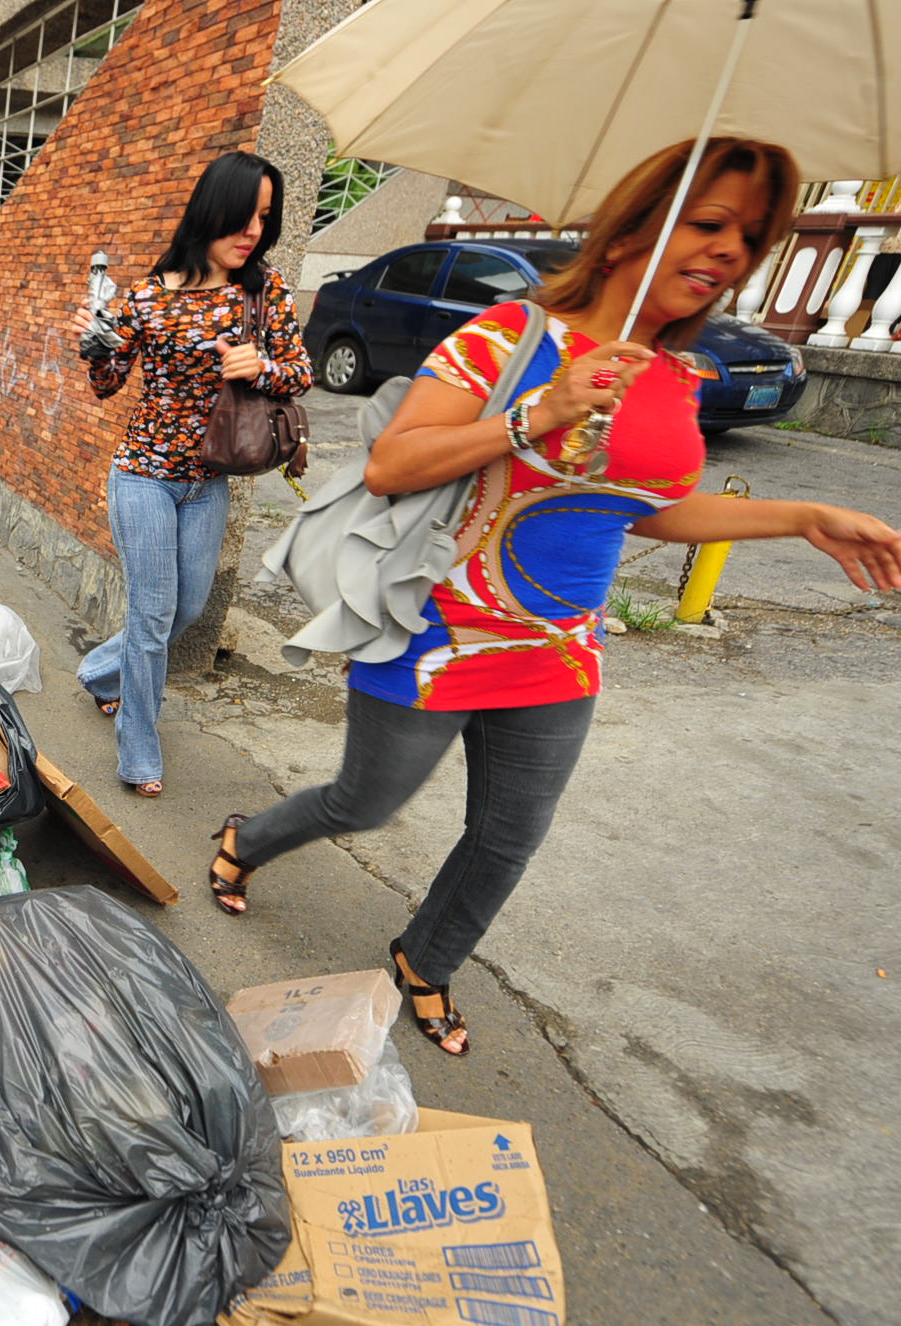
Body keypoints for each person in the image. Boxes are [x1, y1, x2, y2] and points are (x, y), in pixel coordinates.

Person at [207, 137, 901, 1058]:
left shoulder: (675, 376)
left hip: (560, 651)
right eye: (708, 223)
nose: (732, 251)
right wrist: (546, 407)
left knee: (506, 840)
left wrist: (803, 515)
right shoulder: (509, 337)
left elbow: (641, 513)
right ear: (627, 235)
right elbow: (391, 464)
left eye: (752, 236)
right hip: (438, 630)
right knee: (364, 803)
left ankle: (427, 959)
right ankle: (245, 837)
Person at [69, 151, 312, 798]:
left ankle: (99, 671)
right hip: (144, 473)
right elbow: (106, 382)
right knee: (152, 615)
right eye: (244, 216)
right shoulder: (147, 296)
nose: (254, 231)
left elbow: (299, 372)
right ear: (213, 210)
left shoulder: (263, 290)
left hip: (209, 480)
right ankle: (139, 753)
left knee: (188, 609)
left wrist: (256, 368)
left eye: (265, 217)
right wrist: (95, 343)